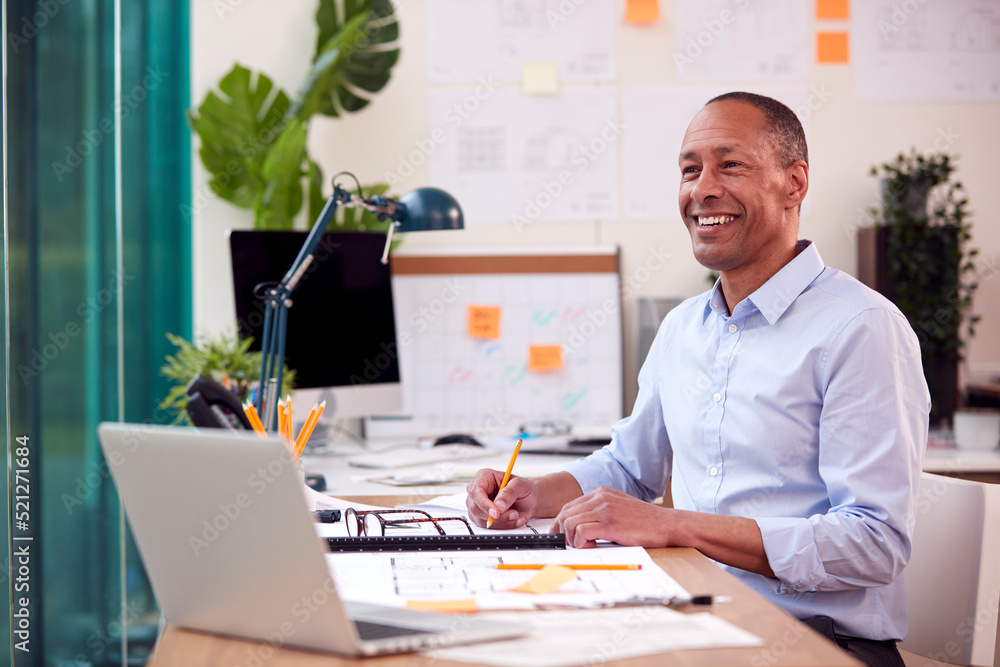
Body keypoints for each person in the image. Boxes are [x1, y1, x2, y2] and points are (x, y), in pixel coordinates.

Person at [466, 92, 929, 667]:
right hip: (692, 613)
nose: (701, 189)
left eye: (729, 164)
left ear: (794, 182)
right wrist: (534, 494)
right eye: (690, 169)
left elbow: (873, 545)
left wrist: (671, 524)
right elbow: (628, 469)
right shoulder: (683, 327)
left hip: (816, 642)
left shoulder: (862, 328)